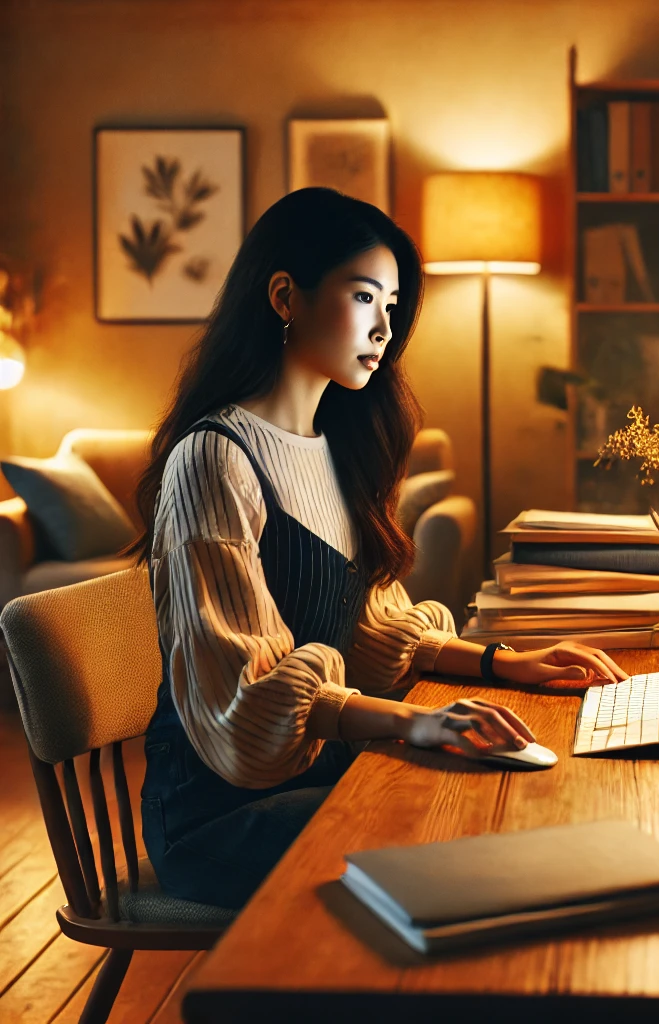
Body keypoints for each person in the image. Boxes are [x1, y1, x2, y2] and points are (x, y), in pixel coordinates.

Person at [132, 188, 627, 910]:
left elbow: (369, 629)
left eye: (392, 308)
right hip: (216, 818)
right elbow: (240, 714)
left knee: (509, 795)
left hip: (314, 773)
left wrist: (508, 663)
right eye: (365, 298)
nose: (384, 329)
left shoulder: (336, 447)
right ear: (284, 297)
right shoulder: (214, 459)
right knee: (461, 828)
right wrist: (413, 721)